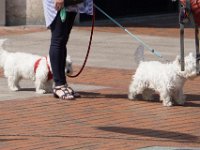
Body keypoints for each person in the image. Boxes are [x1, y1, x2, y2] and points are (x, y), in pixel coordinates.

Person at [42, 0, 93, 100]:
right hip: (58, 3)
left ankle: (63, 83)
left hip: (71, 3)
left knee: (62, 41)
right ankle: (58, 85)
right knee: (58, 40)